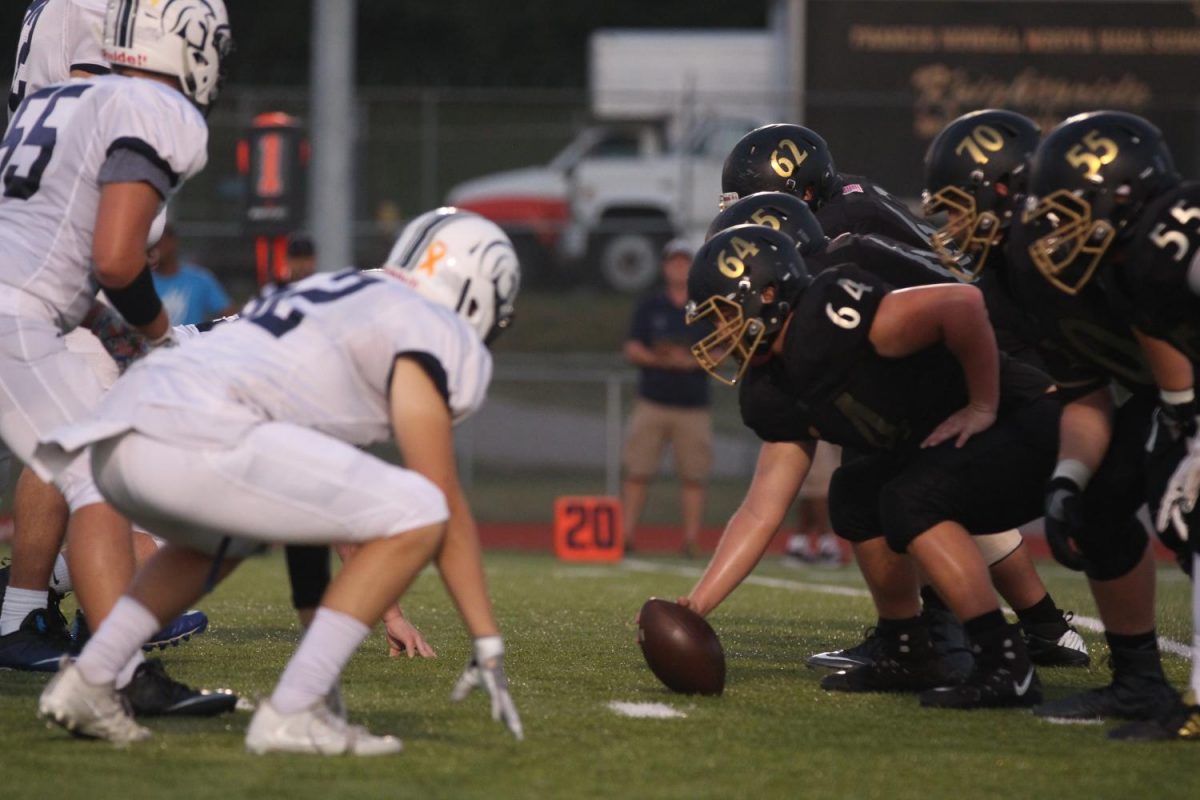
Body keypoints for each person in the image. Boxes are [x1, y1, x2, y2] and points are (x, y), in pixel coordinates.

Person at [37, 208, 525, 753]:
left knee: (227, 537)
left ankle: (93, 679)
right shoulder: (425, 326)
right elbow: (440, 501)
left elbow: (306, 509)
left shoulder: (341, 291)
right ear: (476, 292)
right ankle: (294, 712)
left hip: (124, 424)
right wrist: (485, 637)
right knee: (422, 505)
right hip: (194, 430)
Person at [678, 223, 1059, 709]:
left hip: (1025, 421)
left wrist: (984, 403)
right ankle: (908, 651)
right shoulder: (772, 388)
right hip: (956, 450)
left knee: (909, 499)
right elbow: (760, 512)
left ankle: (1005, 664)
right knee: (855, 495)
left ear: (768, 295)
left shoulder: (832, 314)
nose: (719, 332)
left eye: (724, 314)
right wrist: (698, 606)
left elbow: (962, 305)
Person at [0, 0, 235, 711]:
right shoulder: (156, 111)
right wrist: (162, 336)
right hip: (15, 320)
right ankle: (115, 677)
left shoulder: (66, 96)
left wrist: (107, 322)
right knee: (99, 477)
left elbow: (43, 246)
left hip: (22, 310)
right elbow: (115, 258)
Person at [1006, 110, 1191, 735]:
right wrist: (1065, 480)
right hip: (1172, 397)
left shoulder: (1170, 241)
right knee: (1099, 503)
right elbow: (1086, 395)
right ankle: (1140, 683)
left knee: (1186, 512)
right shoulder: (1049, 272)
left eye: (1069, 209)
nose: (1052, 228)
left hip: (1185, 396)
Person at [621, 239, 712, 556]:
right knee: (637, 471)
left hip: (692, 405)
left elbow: (723, 346)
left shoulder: (705, 305)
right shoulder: (651, 306)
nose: (679, 267)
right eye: (674, 262)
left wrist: (691, 361)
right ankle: (626, 536)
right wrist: (662, 359)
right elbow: (632, 347)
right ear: (664, 267)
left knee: (693, 476)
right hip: (653, 400)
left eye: (685, 262)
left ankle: (690, 540)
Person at [152, 223, 238, 325]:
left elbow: (230, 315)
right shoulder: (142, 281)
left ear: (173, 241)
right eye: (151, 244)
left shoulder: (200, 279)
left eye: (159, 243)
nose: (154, 249)